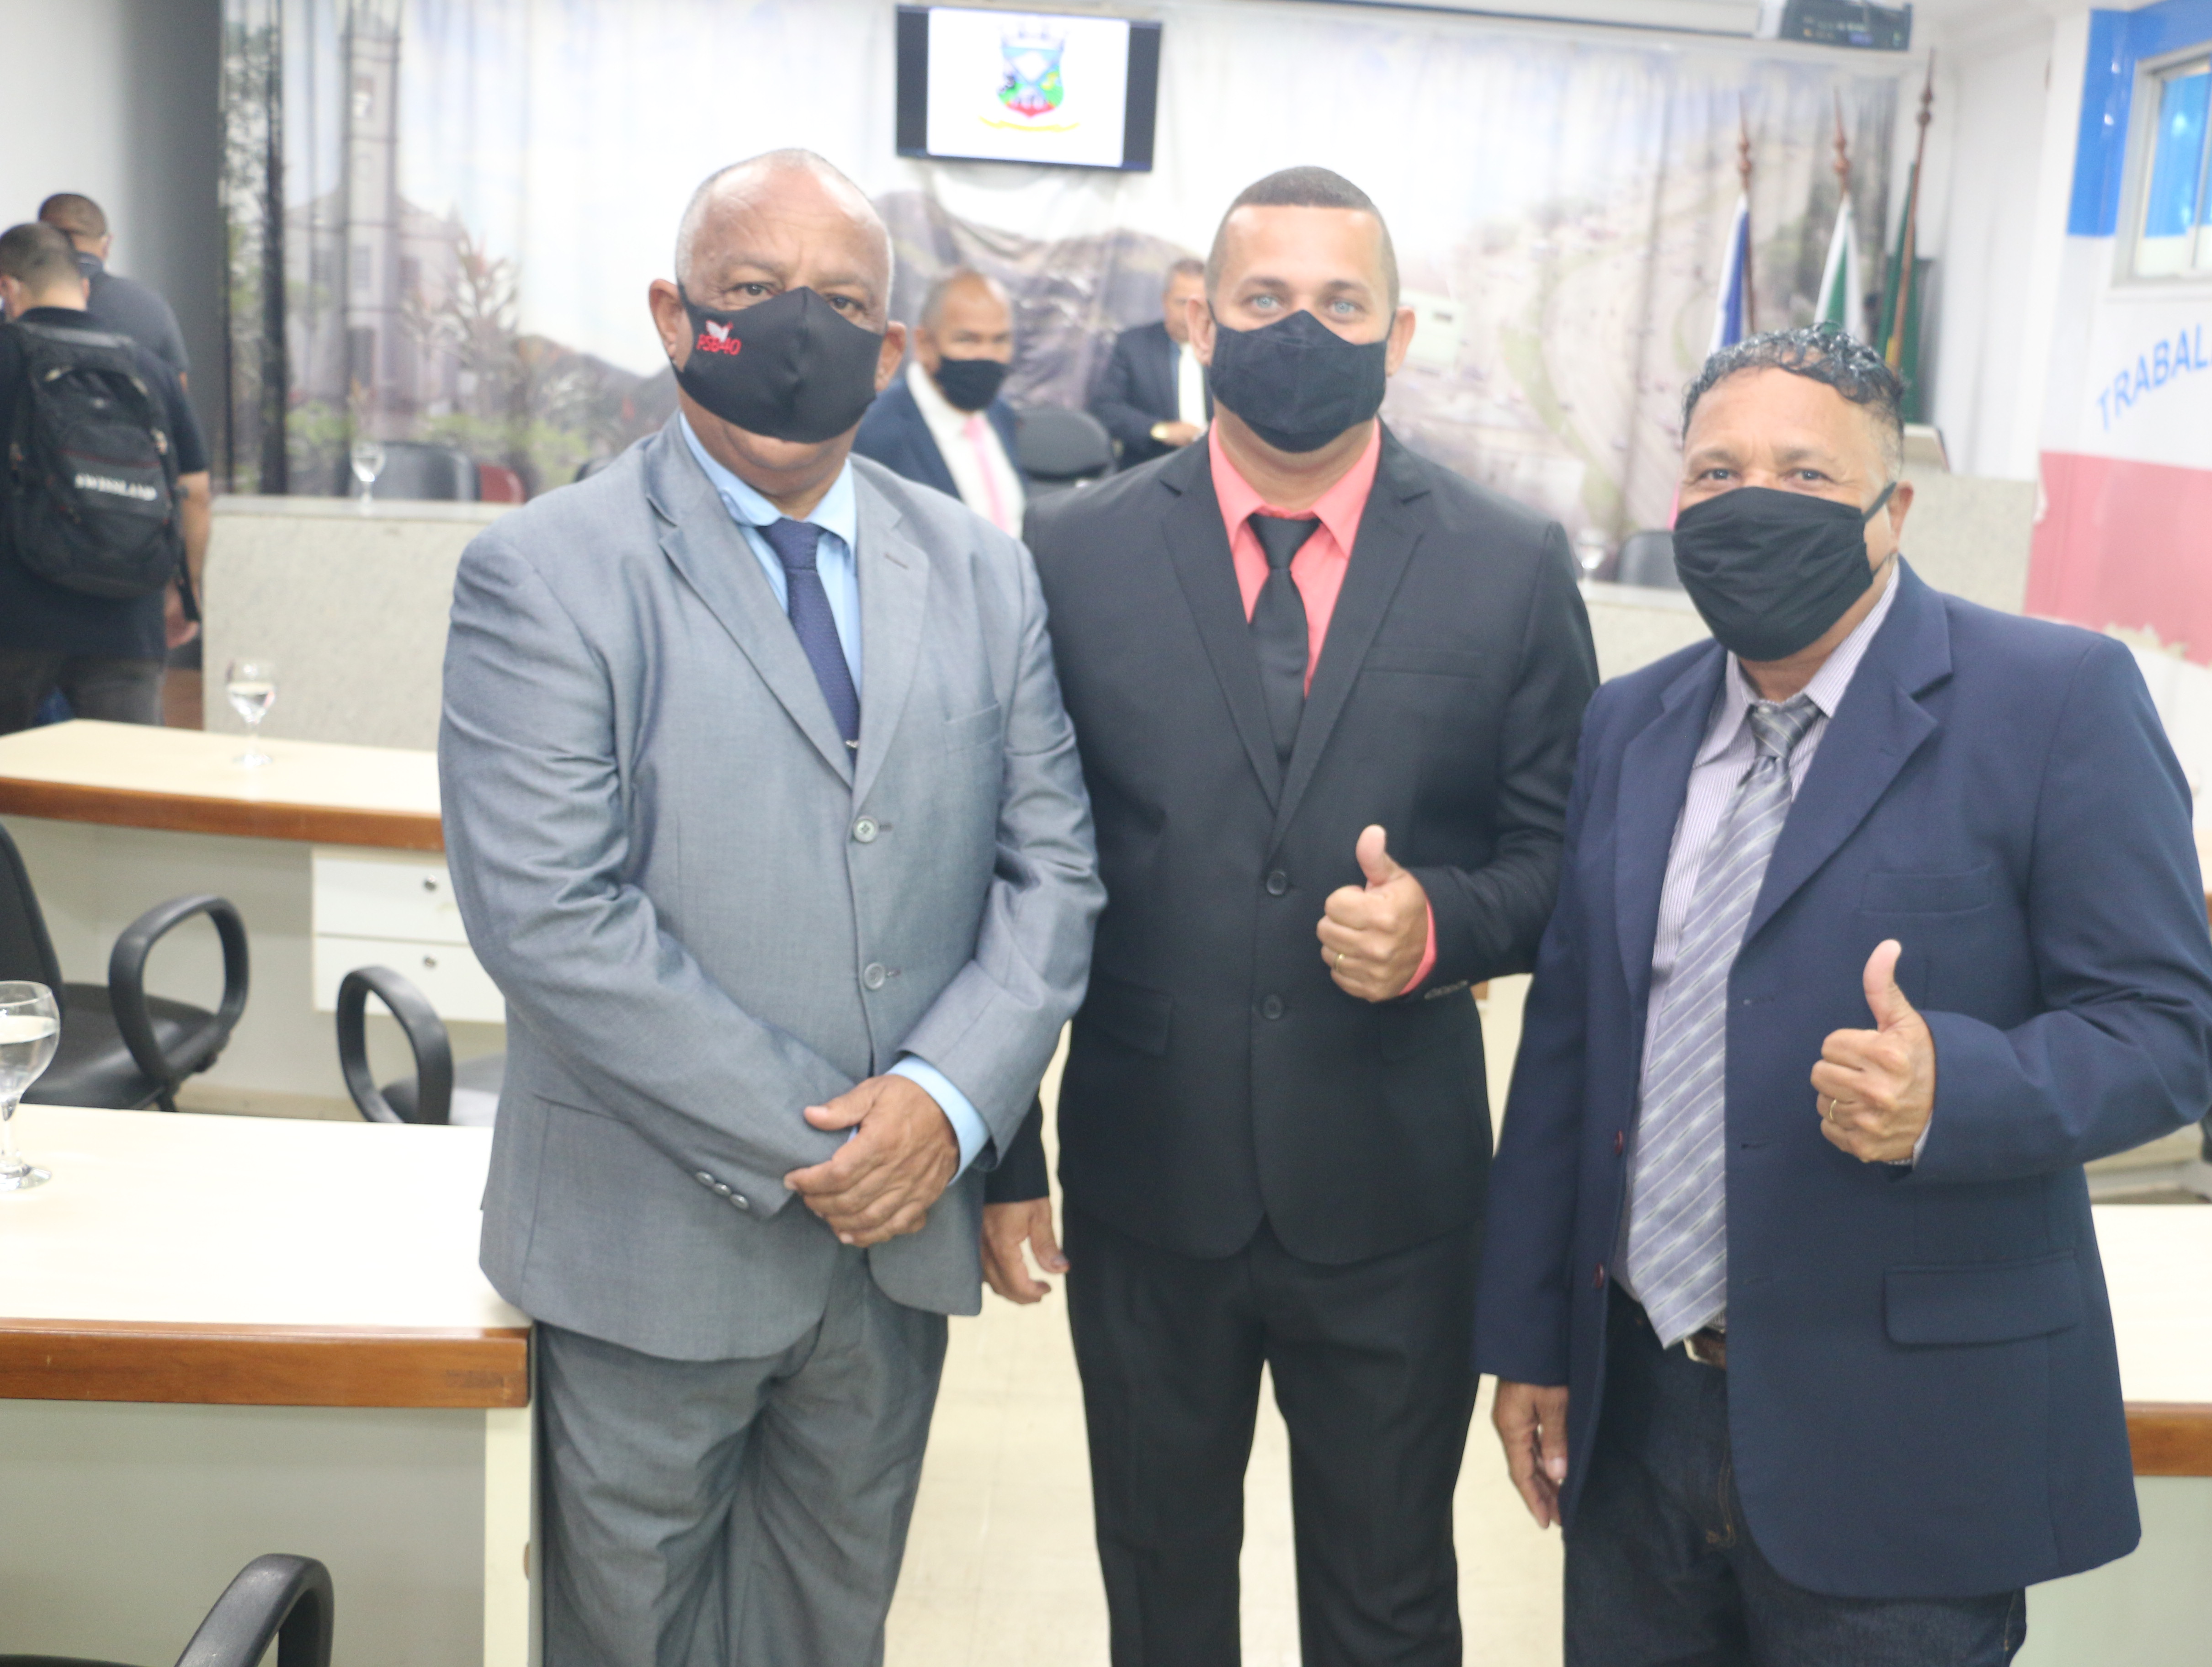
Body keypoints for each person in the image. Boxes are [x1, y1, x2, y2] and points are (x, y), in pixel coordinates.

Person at [1474, 327, 2212, 1666]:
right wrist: (1532, 1337)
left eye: (1805, 474)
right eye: (1715, 473)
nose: (1751, 501)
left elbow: (2171, 1032)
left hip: (1903, 1439)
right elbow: (1571, 1047)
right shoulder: (1631, 722)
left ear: (1895, 510)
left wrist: (1957, 1092)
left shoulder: (2053, 699)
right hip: (1640, 1413)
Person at [436, 149, 1101, 1667]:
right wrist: (842, 1149)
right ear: (675, 317)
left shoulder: (985, 575)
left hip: (893, 1260)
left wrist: (944, 1108)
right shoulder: (546, 572)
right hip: (648, 1250)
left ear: (891, 348)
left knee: (826, 1634)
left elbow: (1053, 871)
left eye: (843, 304)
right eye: (751, 290)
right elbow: (550, 917)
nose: (798, 327)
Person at [984, 166, 1599, 1667]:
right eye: (1264, 300)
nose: (1300, 331)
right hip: (1146, 1180)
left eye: (1341, 303)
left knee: (1390, 1606)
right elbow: (1004, 861)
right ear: (1200, 320)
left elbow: (1567, 863)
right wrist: (1003, 1146)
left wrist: (1441, 926)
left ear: (1400, 335)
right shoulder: (1070, 553)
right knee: (1160, 1595)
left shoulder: (1509, 566)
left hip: (1393, 1196)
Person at [0, 221, 210, 733]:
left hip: (15, 619)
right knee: (125, 777)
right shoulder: (150, 368)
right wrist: (184, 591)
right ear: (84, 287)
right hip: (128, 618)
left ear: (8, 287)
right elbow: (197, 494)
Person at [851, 266, 1025, 533]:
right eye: (968, 340)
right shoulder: (873, 434)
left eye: (1000, 340)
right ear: (924, 344)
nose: (986, 355)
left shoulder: (1001, 415)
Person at [37, 193, 191, 390]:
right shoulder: (151, 304)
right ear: (107, 243)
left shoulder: (22, 304)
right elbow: (178, 389)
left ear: (38, 240)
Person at [1088, 256, 1208, 469]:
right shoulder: (1133, 346)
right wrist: (1160, 430)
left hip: (1215, 466)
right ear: (1165, 301)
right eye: (1182, 303)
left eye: (1199, 305)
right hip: (1151, 466)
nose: (1190, 314)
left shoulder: (1228, 349)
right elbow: (1106, 408)